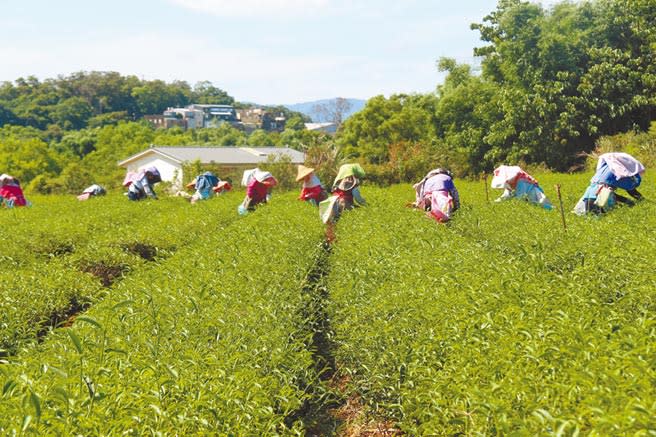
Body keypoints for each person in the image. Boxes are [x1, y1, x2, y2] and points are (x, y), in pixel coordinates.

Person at [574, 152, 645, 215]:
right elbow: (631, 190)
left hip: (590, 196)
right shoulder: (617, 171)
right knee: (599, 218)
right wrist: (640, 201)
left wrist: (626, 201)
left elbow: (609, 193)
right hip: (599, 199)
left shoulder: (606, 169)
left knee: (591, 217)